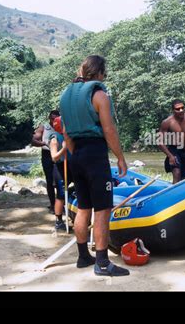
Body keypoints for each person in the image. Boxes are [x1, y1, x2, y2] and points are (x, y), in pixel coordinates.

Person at [60, 55, 129, 276]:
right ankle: (102, 263)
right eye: (104, 73)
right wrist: (120, 157)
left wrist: (74, 156)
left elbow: (65, 133)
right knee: (102, 210)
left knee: (83, 207)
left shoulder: (65, 96)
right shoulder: (99, 95)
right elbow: (108, 130)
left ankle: (83, 257)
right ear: (99, 73)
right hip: (94, 154)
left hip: (75, 155)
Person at [158, 99, 185, 183]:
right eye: (178, 109)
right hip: (174, 151)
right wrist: (170, 156)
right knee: (177, 173)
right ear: (173, 110)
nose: (181, 110)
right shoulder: (167, 122)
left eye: (182, 108)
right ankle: (173, 194)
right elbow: (160, 142)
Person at [32, 110, 60, 213]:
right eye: (52, 119)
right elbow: (34, 140)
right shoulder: (43, 127)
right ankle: (53, 205)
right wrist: (44, 143)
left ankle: (61, 204)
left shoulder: (62, 126)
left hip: (59, 155)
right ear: (49, 118)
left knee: (60, 181)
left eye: (56, 119)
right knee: (49, 180)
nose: (54, 121)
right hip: (47, 155)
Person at [48, 116, 73, 231]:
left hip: (72, 166)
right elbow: (54, 157)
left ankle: (73, 214)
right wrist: (64, 149)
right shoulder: (54, 138)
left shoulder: (68, 135)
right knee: (62, 194)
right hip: (60, 168)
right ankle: (58, 220)